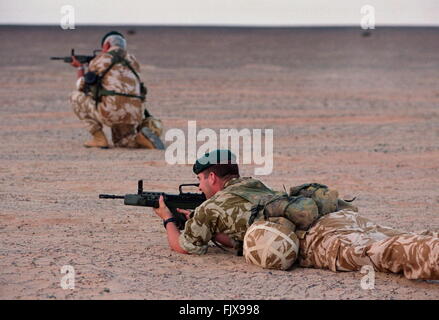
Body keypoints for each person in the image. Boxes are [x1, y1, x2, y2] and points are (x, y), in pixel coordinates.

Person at [153, 149, 439, 280]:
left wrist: (167, 217)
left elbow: (182, 246)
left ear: (213, 177)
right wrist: (212, 231)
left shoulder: (210, 208)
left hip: (316, 240)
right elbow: (244, 230)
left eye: (201, 180)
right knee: (404, 239)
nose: (200, 186)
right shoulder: (254, 185)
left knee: (388, 253)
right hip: (335, 216)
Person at [70, 31, 164, 149]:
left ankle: (99, 138)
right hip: (134, 114)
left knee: (75, 96)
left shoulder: (100, 60)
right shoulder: (134, 61)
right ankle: (140, 139)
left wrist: (80, 67)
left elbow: (81, 86)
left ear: (106, 46)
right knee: (122, 142)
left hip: (111, 113)